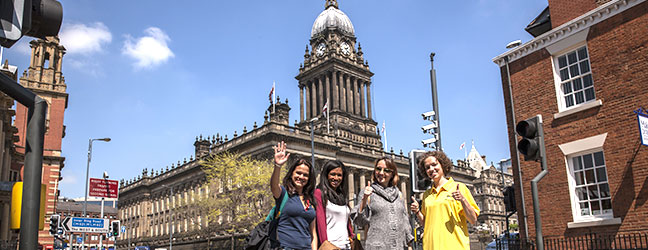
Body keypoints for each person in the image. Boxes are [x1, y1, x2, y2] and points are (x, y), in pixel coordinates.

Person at [409, 151, 480, 250]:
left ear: (442, 164)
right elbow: (427, 223)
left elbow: (473, 219)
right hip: (431, 246)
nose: (431, 169)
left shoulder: (459, 187)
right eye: (427, 167)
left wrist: (463, 200)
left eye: (434, 164)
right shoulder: (427, 194)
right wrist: (417, 211)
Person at [351, 157, 414, 250]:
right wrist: (364, 199)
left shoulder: (399, 194)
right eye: (378, 169)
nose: (381, 173)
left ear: (392, 173)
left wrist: (409, 245)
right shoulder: (367, 192)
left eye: (386, 170)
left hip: (399, 246)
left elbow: (404, 221)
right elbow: (359, 221)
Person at [270, 141, 318, 250]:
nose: (301, 177)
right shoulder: (283, 194)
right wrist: (277, 165)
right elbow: (273, 186)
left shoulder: (310, 200)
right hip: (285, 247)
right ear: (292, 173)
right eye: (298, 173)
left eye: (305, 175)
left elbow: (313, 233)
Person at [314, 160, 354, 250]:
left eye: (339, 175)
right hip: (331, 246)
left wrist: (351, 236)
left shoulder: (341, 195)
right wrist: (326, 246)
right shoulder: (319, 193)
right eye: (332, 174)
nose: (336, 178)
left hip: (346, 246)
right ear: (326, 175)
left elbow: (345, 221)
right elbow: (321, 223)